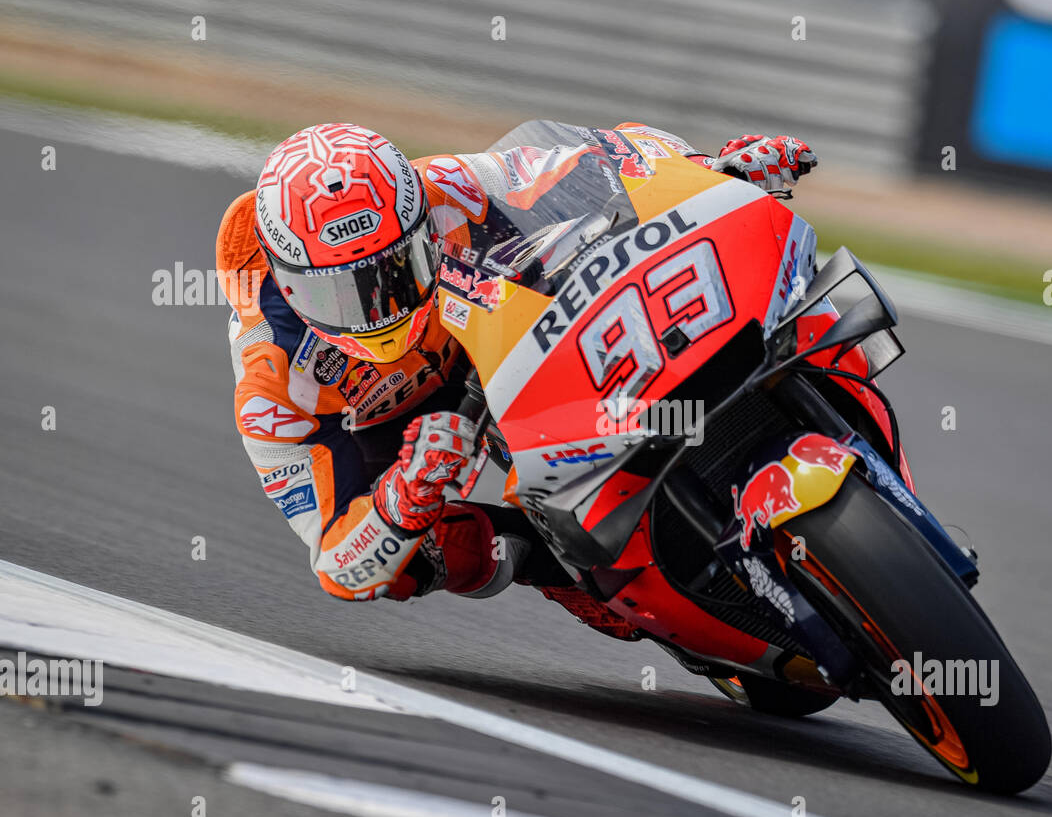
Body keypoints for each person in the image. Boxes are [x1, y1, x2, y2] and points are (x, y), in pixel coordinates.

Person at [215, 121, 816, 631]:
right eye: (344, 294)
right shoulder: (272, 381)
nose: (380, 308)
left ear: (418, 222)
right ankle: (541, 555)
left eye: (396, 269)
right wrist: (405, 496)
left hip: (493, 341)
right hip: (403, 439)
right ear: (290, 282)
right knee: (405, 567)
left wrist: (712, 170)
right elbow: (339, 565)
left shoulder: (449, 186)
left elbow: (606, 159)